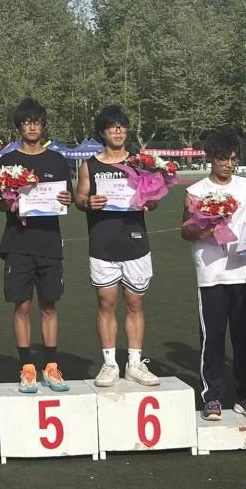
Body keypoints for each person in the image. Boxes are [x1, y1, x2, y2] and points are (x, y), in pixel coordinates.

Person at [183, 127, 246, 421]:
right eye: (223, 159)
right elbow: (186, 230)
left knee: (243, 338)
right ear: (211, 158)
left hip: (243, 272)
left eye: (233, 159)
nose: (229, 164)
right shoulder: (195, 191)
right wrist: (205, 231)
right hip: (211, 274)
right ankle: (213, 397)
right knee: (213, 337)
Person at [0, 98, 72, 393]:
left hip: (49, 243)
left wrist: (67, 199)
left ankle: (51, 366)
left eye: (36, 122)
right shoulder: (7, 161)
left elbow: (67, 198)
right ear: (19, 127)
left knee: (49, 305)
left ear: (43, 125)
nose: (32, 127)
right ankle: (26, 368)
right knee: (22, 305)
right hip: (18, 243)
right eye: (26, 122)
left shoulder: (57, 161)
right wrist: (5, 201)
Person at [74, 105, 159, 387]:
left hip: (135, 243)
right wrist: (88, 202)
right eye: (112, 126)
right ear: (103, 132)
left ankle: (134, 363)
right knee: (106, 303)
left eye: (122, 126)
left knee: (135, 303)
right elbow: (79, 199)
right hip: (103, 244)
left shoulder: (139, 163)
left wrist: (150, 201)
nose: (118, 131)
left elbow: (153, 199)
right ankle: (110, 363)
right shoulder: (90, 165)